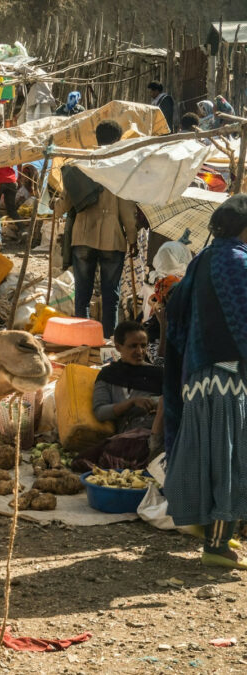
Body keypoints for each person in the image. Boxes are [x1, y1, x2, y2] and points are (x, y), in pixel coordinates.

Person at [162, 195, 247, 569]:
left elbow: (174, 307)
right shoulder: (238, 262)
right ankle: (216, 545)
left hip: (198, 373)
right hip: (227, 375)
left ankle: (212, 533)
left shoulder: (203, 259)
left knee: (209, 457)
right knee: (229, 460)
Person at [61, 120, 137, 338]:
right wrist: (132, 238)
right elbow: (126, 208)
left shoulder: (80, 164)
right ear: (118, 139)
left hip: (82, 236)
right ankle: (107, 340)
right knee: (110, 294)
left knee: (82, 293)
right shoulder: (121, 165)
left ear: (97, 138)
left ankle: (82, 338)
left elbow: (64, 205)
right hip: (112, 238)